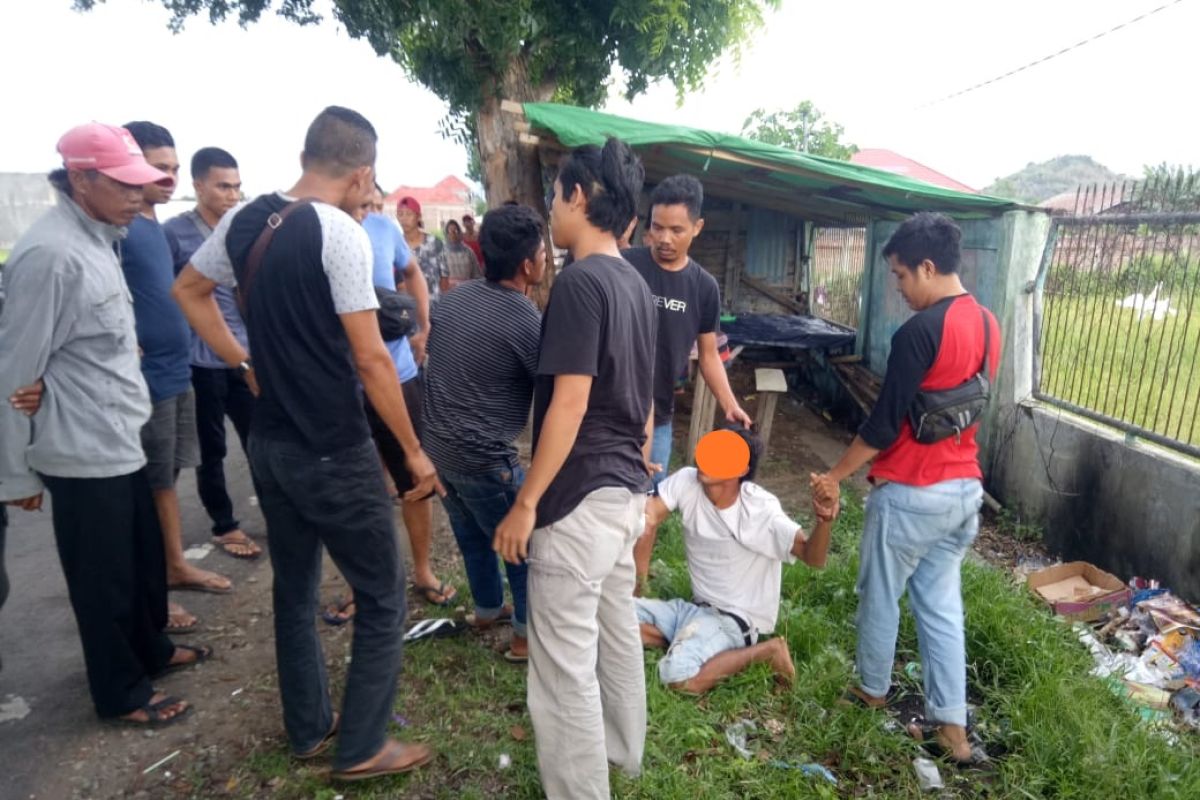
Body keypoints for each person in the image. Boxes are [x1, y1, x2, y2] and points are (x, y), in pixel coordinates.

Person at [175, 106, 438, 780]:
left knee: (294, 588)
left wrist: (242, 361)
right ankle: (363, 747)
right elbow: (374, 360)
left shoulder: (243, 219)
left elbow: (190, 289)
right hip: (331, 444)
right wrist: (411, 451)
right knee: (381, 593)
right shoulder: (340, 234)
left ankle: (309, 728)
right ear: (361, 173)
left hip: (270, 443)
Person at [0, 123, 210, 725]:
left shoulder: (101, 236)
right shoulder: (50, 254)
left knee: (141, 560)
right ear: (82, 179)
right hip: (80, 445)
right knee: (104, 577)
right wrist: (16, 474)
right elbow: (16, 368)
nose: (138, 198)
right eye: (124, 185)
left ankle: (152, 649)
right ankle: (120, 692)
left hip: (120, 434)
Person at [493, 137, 654, 800]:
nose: (550, 212)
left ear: (579, 196)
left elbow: (571, 398)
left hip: (580, 498)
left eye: (555, 195)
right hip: (622, 494)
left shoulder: (583, 282)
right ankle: (624, 755)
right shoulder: (637, 284)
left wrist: (528, 502)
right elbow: (644, 404)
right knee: (616, 632)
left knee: (563, 668)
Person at [812, 212, 999, 766]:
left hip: (913, 491)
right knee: (942, 609)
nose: (898, 288)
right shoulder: (989, 323)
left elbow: (885, 422)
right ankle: (952, 728)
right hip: (964, 492)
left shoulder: (920, 332)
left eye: (900, 276)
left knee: (880, 594)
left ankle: (871, 689)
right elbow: (973, 406)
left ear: (926, 266)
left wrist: (835, 475)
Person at [121, 121, 233, 636]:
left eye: (169, 167)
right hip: (142, 379)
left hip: (173, 371)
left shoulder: (147, 225)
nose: (164, 177)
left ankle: (174, 565)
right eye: (154, 167)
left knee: (165, 478)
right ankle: (153, 595)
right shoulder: (127, 229)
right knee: (144, 485)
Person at [325, 183, 454, 620]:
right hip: (341, 384)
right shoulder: (317, 230)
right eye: (362, 198)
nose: (370, 207)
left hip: (396, 376)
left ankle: (422, 570)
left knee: (414, 481)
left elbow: (413, 273)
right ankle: (361, 583)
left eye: (372, 199)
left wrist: (423, 326)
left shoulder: (383, 229)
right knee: (356, 487)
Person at [423, 205, 545, 662]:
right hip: (485, 459)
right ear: (527, 264)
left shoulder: (452, 300)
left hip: (439, 452)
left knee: (473, 536)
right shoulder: (524, 318)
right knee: (522, 549)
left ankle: (487, 609)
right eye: (542, 253)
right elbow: (550, 389)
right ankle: (523, 637)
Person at [624, 175, 752, 591]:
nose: (664, 238)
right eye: (657, 227)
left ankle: (635, 584)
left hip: (658, 416)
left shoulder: (703, 287)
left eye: (676, 229)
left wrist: (729, 403)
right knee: (607, 499)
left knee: (647, 504)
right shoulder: (627, 265)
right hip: (609, 409)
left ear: (697, 227)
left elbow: (710, 354)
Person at [636, 427, 834, 694]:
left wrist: (824, 521)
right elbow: (649, 516)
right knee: (610, 614)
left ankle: (766, 652)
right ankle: (687, 639)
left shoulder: (759, 509)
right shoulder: (687, 480)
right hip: (693, 610)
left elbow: (814, 558)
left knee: (675, 676)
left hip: (733, 621)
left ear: (741, 469)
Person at [163, 147, 261, 562]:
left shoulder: (245, 228)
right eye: (223, 186)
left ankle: (280, 510)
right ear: (198, 184)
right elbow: (170, 293)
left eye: (237, 187)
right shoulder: (175, 233)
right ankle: (225, 524)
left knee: (261, 438)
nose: (232, 195)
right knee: (211, 449)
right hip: (200, 361)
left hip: (245, 354)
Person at [397, 195, 447, 311]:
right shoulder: (395, 246)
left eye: (409, 214)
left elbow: (444, 278)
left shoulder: (435, 243)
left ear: (418, 217)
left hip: (434, 308)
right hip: (406, 311)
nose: (404, 219)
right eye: (400, 214)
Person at [442, 219, 481, 290]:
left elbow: (476, 274)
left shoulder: (468, 251)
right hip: (449, 293)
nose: (453, 234)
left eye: (456, 231)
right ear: (446, 233)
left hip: (467, 291)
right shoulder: (441, 252)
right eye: (450, 231)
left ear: (459, 232)